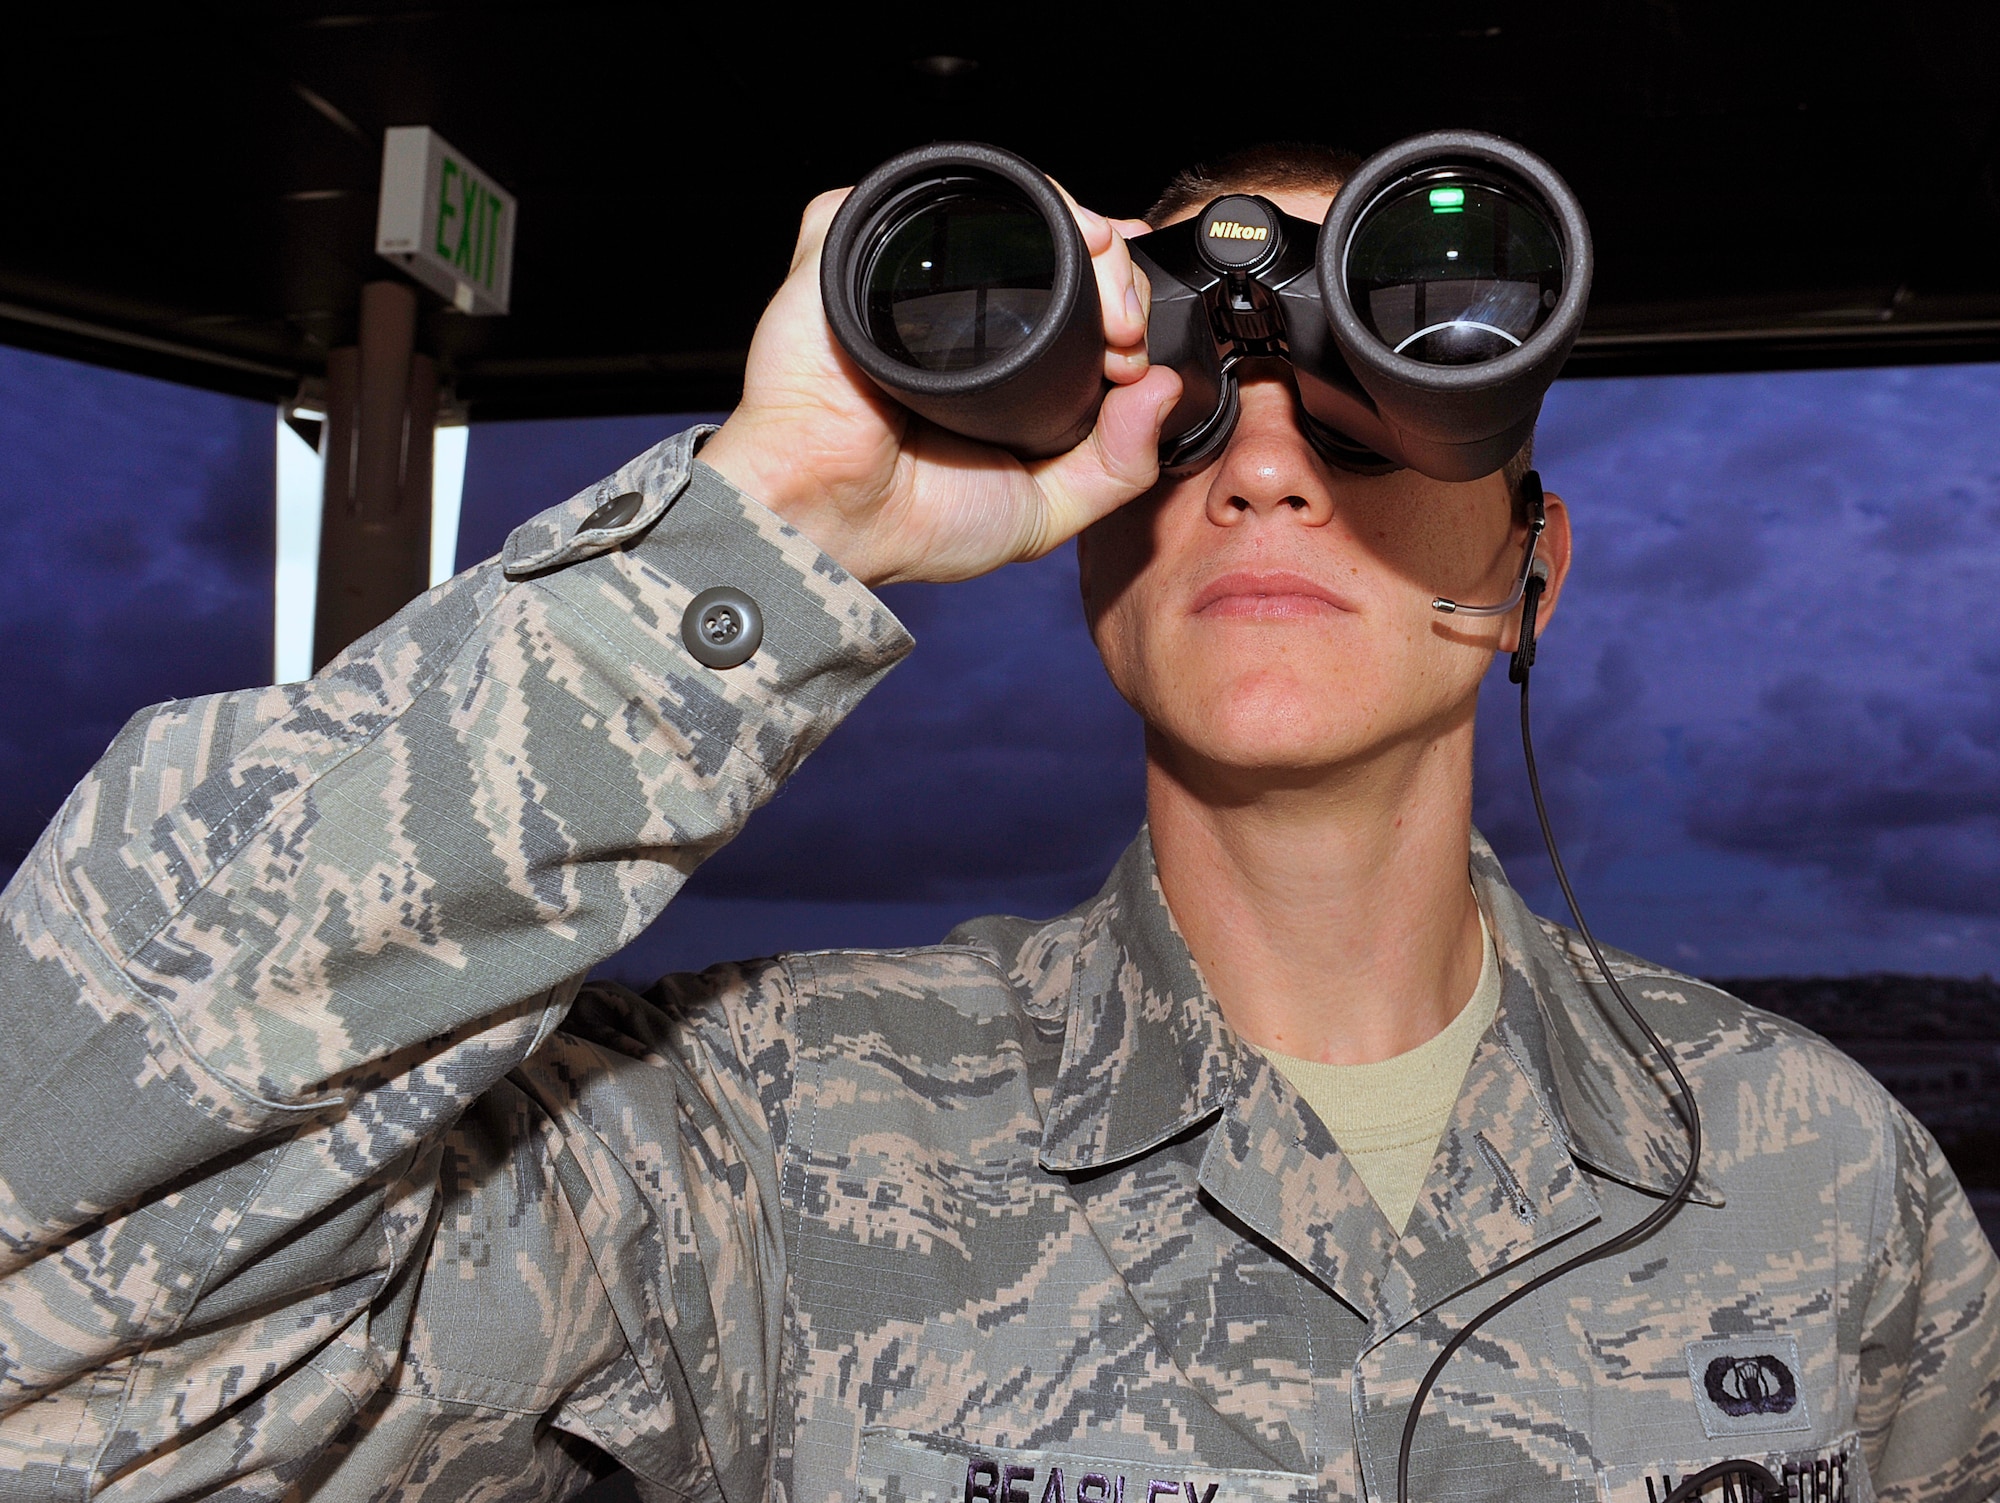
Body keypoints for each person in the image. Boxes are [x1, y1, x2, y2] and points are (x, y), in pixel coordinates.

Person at [1, 145, 1994, 1503]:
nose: (1268, 471)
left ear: (1534, 564)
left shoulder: (1815, 1170)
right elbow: (59, 1350)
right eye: (1191, 405)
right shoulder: (751, 1138)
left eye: (1371, 385)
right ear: (1087, 537)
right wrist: (766, 523)